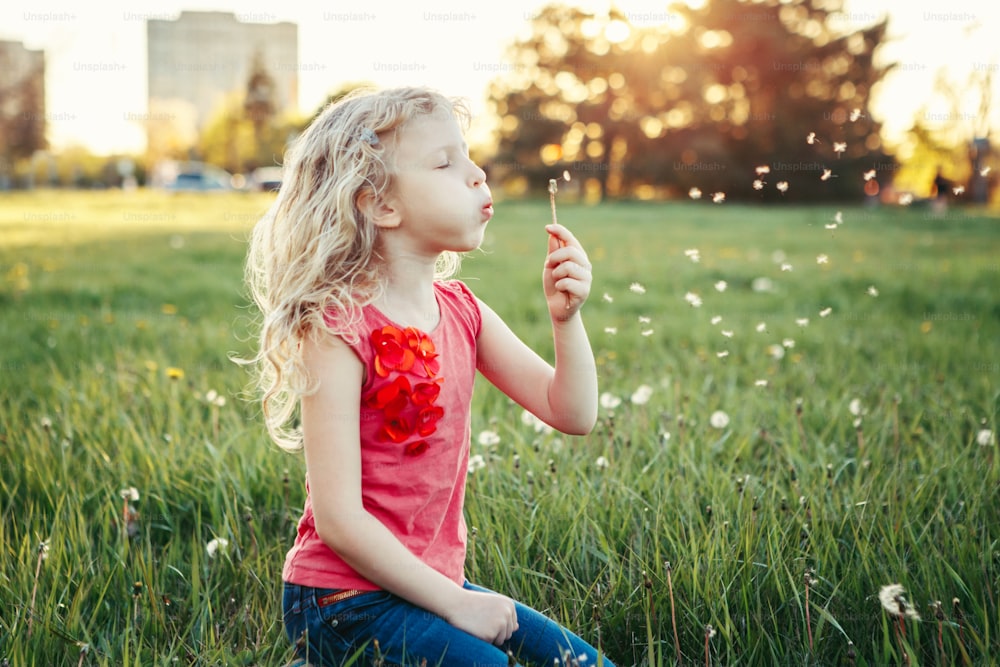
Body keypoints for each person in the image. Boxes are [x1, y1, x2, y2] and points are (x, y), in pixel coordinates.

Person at [243, 87, 612, 667]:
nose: (476, 174)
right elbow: (339, 521)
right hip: (343, 600)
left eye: (468, 157)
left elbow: (572, 413)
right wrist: (457, 606)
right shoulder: (337, 328)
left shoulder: (463, 311)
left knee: (584, 663)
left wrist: (567, 321)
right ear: (380, 206)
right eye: (445, 163)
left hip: (430, 586)